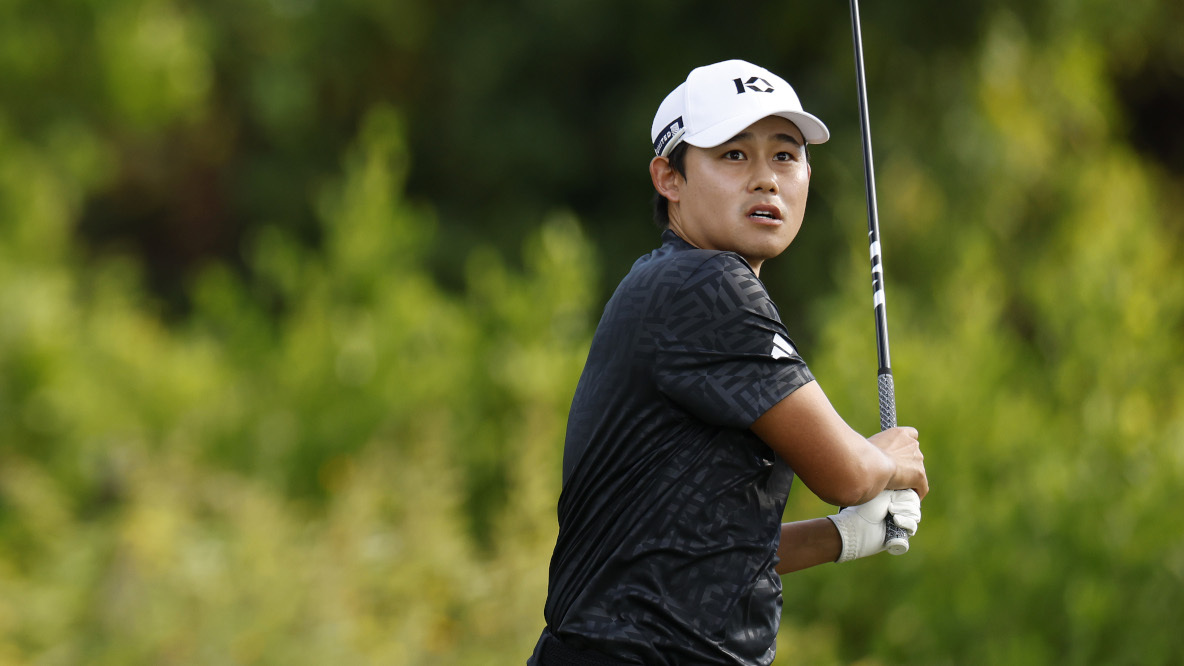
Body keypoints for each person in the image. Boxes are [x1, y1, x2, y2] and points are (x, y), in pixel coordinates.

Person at [528, 60, 929, 666]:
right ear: (669, 177)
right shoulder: (706, 286)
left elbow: (696, 551)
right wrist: (890, 459)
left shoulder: (669, 282)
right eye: (734, 155)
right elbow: (847, 475)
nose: (766, 179)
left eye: (785, 155)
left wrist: (845, 536)